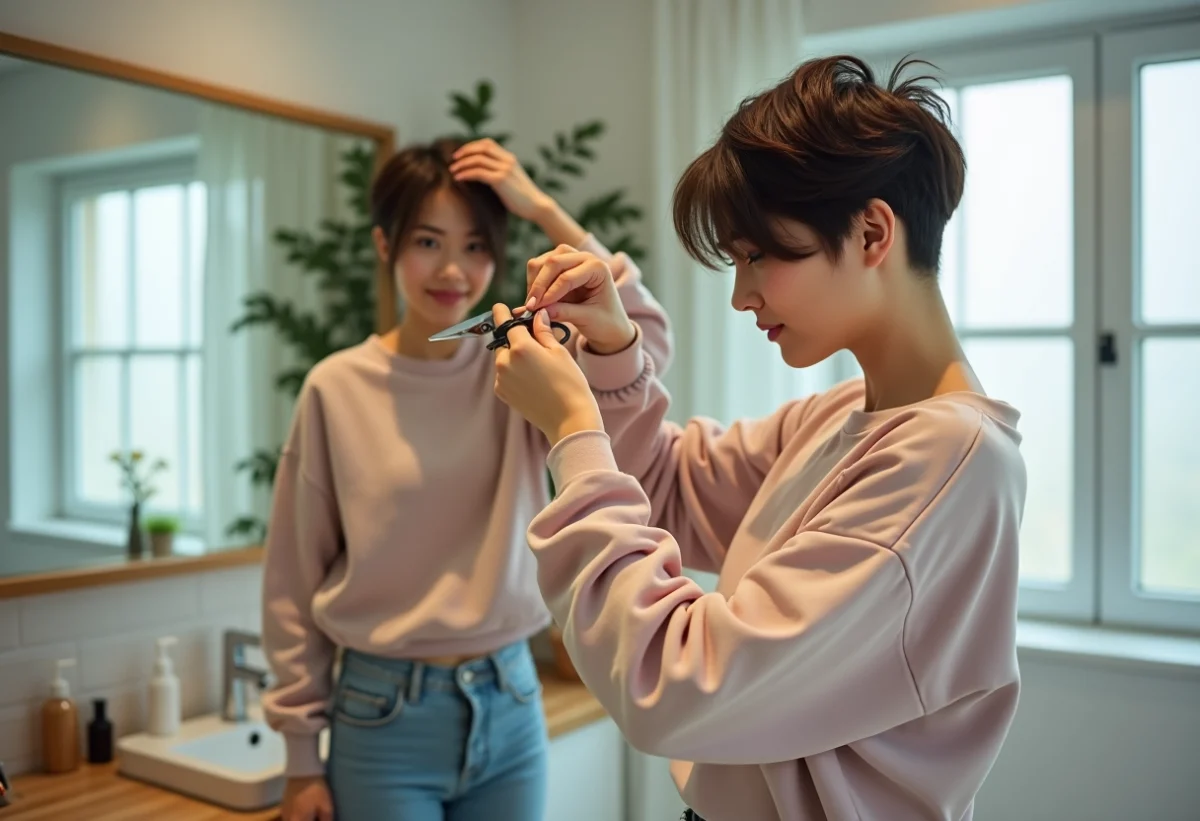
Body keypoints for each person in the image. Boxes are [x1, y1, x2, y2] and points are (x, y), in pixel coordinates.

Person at [490, 56, 1027, 821]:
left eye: (760, 256)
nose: (742, 294)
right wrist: (611, 351)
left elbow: (675, 684)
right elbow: (668, 490)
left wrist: (574, 428)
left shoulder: (947, 458)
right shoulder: (845, 417)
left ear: (873, 232)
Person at [260, 136, 673, 821]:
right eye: (427, 241)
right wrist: (301, 758)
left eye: (477, 245)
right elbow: (292, 580)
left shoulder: (517, 362)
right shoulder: (335, 388)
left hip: (512, 701)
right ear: (385, 245)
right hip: (381, 716)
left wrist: (541, 207)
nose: (453, 268)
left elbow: (644, 346)